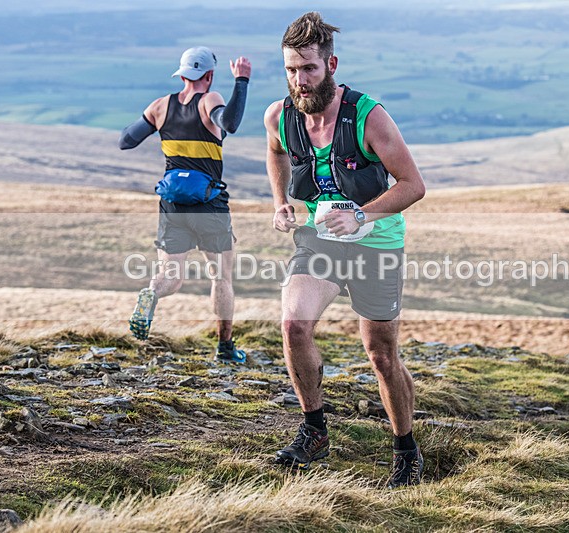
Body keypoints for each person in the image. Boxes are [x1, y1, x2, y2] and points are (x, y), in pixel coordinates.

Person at [263, 12, 426, 488]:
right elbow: (275, 152)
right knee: (294, 324)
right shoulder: (280, 115)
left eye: (309, 68)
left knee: (380, 353)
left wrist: (362, 215)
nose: (300, 79)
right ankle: (314, 431)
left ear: (330, 64)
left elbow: (413, 185)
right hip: (320, 239)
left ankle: (405, 449)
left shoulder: (368, 115)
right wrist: (279, 203)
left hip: (376, 242)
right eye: (292, 69)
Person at [118, 46, 251, 363]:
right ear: (209, 75)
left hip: (172, 203)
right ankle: (225, 348)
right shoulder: (210, 100)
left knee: (171, 276)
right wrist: (242, 82)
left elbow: (126, 140)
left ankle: (152, 293)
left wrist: (156, 123)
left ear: (181, 74)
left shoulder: (160, 106)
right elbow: (229, 123)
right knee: (221, 277)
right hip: (209, 204)